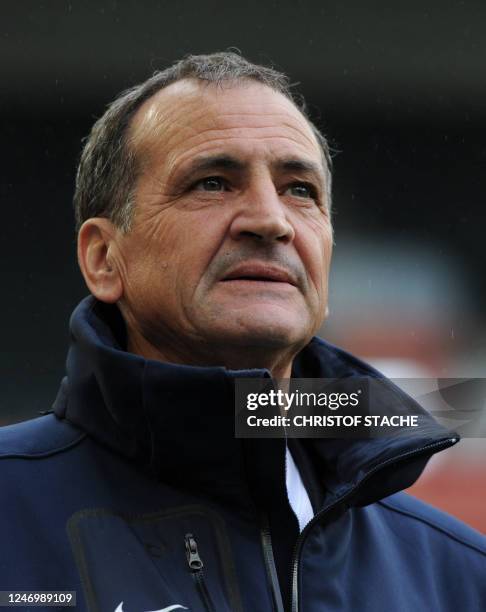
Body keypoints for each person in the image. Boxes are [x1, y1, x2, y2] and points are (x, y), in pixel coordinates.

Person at [0, 52, 484, 612]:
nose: (271, 220)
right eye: (212, 183)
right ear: (105, 258)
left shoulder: (461, 578)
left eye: (299, 189)